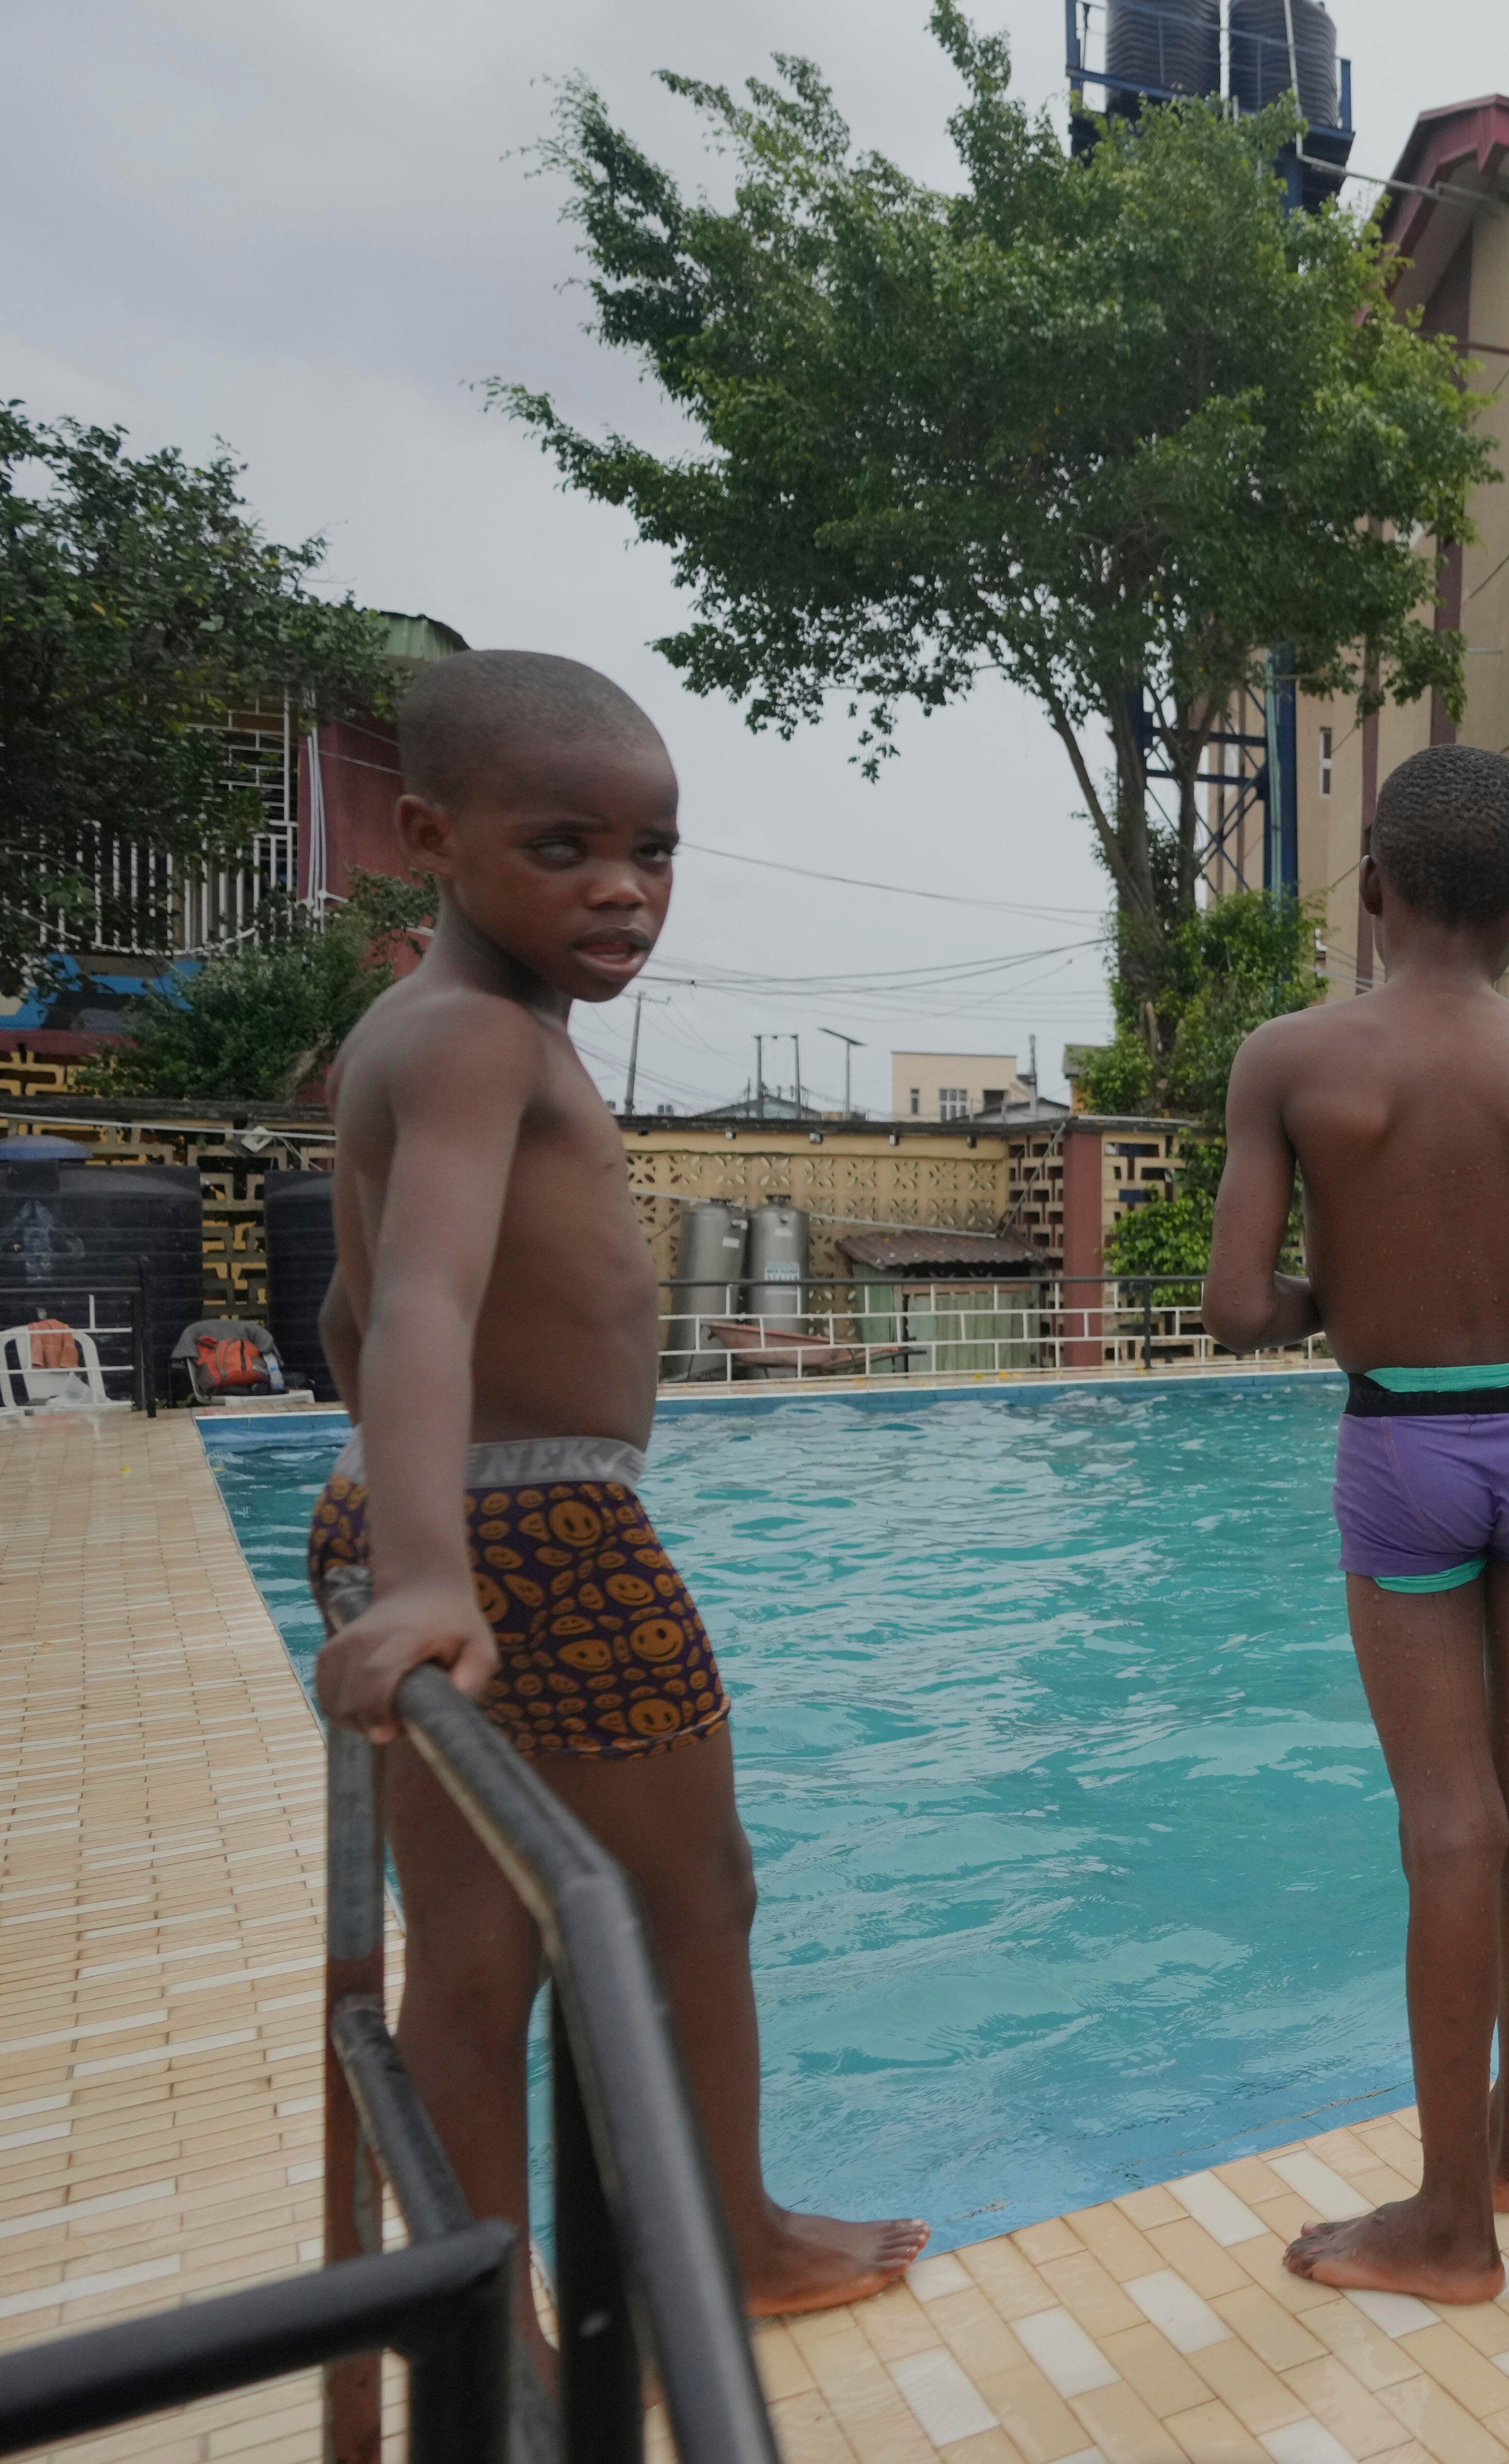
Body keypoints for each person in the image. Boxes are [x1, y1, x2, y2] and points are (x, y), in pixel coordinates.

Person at [305, 650, 926, 2316]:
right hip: (535, 1523)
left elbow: (349, 1310)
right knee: (694, 1890)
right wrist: (439, 1571)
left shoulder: (410, 1028)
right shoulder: (488, 1048)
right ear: (431, 833)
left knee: (476, 1945)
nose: (621, 888)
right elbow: (425, 1296)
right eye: (563, 844)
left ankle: (475, 2323)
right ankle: (731, 2238)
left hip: (401, 1495)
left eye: (652, 849)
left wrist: (392, 1525)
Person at [1203, 743, 1509, 2303]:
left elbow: (1231, 1308)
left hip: (1406, 1442)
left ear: (1369, 890)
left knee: (1447, 1819)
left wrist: (1340, 1292)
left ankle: (1444, 2227)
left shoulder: (1287, 1058)